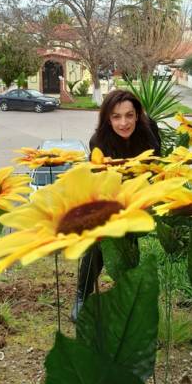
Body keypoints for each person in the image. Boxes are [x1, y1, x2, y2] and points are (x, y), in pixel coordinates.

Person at [71, 89, 161, 322]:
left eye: (129, 115)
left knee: (130, 240)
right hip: (110, 195)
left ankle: (127, 295)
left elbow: (157, 165)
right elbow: (100, 180)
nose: (124, 123)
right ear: (107, 119)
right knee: (99, 241)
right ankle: (82, 295)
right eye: (116, 116)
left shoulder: (149, 130)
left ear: (137, 115)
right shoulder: (98, 142)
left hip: (141, 193)